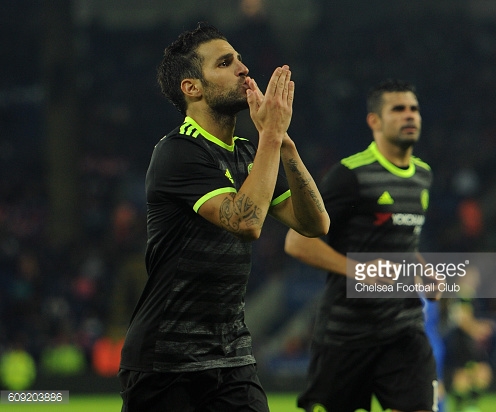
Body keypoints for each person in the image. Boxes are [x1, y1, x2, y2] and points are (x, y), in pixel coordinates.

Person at [118, 22, 329, 412]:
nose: (244, 68)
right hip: (166, 363)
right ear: (192, 87)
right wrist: (270, 137)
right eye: (226, 62)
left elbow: (315, 224)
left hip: (232, 359)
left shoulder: (250, 152)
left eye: (240, 59)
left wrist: (284, 143)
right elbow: (245, 222)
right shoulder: (177, 152)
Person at [285, 79, 437, 412]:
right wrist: (359, 270)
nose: (409, 116)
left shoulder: (423, 176)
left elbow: (402, 242)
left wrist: (424, 272)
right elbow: (297, 242)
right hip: (347, 335)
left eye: (414, 109)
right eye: (398, 109)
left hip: (404, 330)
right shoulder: (350, 174)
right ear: (375, 121)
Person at [443, 267, 495, 412]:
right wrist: (478, 328)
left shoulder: (465, 296)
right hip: (462, 341)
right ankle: (466, 406)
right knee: (473, 374)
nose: (475, 281)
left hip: (464, 341)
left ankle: (464, 406)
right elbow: (462, 319)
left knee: (472, 374)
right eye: (472, 277)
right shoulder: (462, 295)